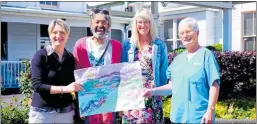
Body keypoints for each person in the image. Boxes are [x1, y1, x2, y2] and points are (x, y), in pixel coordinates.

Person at [144, 17, 220, 124]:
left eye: (188, 31)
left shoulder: (206, 55)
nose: (185, 35)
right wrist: (151, 91)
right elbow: (171, 87)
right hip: (178, 117)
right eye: (182, 33)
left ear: (197, 33)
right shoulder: (177, 59)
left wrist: (210, 111)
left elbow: (214, 85)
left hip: (199, 118)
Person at [29, 19, 84, 123]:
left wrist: (82, 108)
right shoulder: (41, 56)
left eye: (62, 32)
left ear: (68, 36)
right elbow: (37, 85)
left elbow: (76, 84)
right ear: (50, 35)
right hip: (42, 114)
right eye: (54, 32)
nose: (58, 36)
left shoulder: (70, 58)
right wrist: (65, 89)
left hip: (65, 113)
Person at [73, 8, 122, 124]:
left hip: (110, 102)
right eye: (97, 22)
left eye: (104, 22)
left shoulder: (116, 46)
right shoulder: (81, 45)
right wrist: (80, 104)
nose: (100, 25)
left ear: (108, 26)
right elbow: (76, 75)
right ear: (91, 24)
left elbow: (122, 75)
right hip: (88, 103)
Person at [121, 8, 168, 123]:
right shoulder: (128, 44)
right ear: (135, 24)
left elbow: (163, 71)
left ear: (151, 23)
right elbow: (122, 71)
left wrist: (158, 91)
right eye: (140, 22)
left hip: (152, 95)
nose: (143, 25)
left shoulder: (159, 44)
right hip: (132, 96)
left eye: (146, 22)